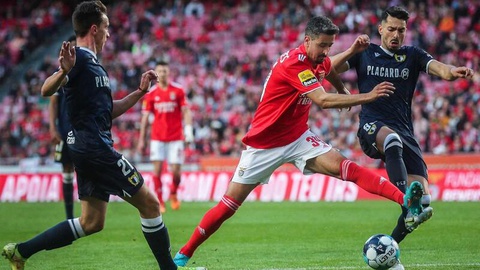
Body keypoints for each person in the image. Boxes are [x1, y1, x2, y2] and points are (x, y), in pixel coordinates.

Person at [173, 15, 425, 269]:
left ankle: (405, 199)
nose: (325, 52)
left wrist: (342, 86)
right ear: (307, 41)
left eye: (329, 46)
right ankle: (183, 255)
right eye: (322, 46)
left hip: (297, 137)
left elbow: (328, 69)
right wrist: (367, 96)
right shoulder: (294, 64)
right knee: (228, 207)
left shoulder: (319, 58)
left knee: (346, 167)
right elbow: (322, 100)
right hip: (264, 144)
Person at [1, 1, 205, 270]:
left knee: (92, 222)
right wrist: (63, 70)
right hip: (94, 147)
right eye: (107, 27)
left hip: (86, 147)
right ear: (95, 29)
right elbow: (46, 90)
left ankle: (21, 251)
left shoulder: (94, 64)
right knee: (151, 204)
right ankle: (169, 269)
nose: (109, 33)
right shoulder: (79, 58)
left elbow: (107, 110)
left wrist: (139, 93)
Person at [331, 5, 474, 245]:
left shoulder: (413, 55)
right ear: (381, 29)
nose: (396, 34)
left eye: (401, 30)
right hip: (372, 127)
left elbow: (440, 68)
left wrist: (453, 71)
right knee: (391, 141)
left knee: (424, 204)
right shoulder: (365, 53)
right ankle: (406, 201)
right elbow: (327, 69)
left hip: (404, 130)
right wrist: (351, 50)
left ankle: (390, 244)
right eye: (391, 29)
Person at [137, 61, 194, 214]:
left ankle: (174, 193)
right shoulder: (151, 94)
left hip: (176, 137)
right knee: (157, 171)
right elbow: (145, 118)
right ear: (155, 73)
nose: (162, 73)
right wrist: (142, 139)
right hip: (157, 138)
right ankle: (161, 201)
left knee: (176, 172)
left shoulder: (178, 90)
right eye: (160, 71)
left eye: (165, 71)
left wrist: (189, 132)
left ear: (169, 73)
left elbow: (186, 112)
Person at [48, 35, 76, 220]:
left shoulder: (88, 71)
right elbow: (53, 102)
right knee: (66, 169)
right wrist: (52, 128)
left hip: (82, 131)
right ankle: (69, 216)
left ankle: (89, 215)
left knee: (84, 168)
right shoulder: (61, 73)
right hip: (65, 131)